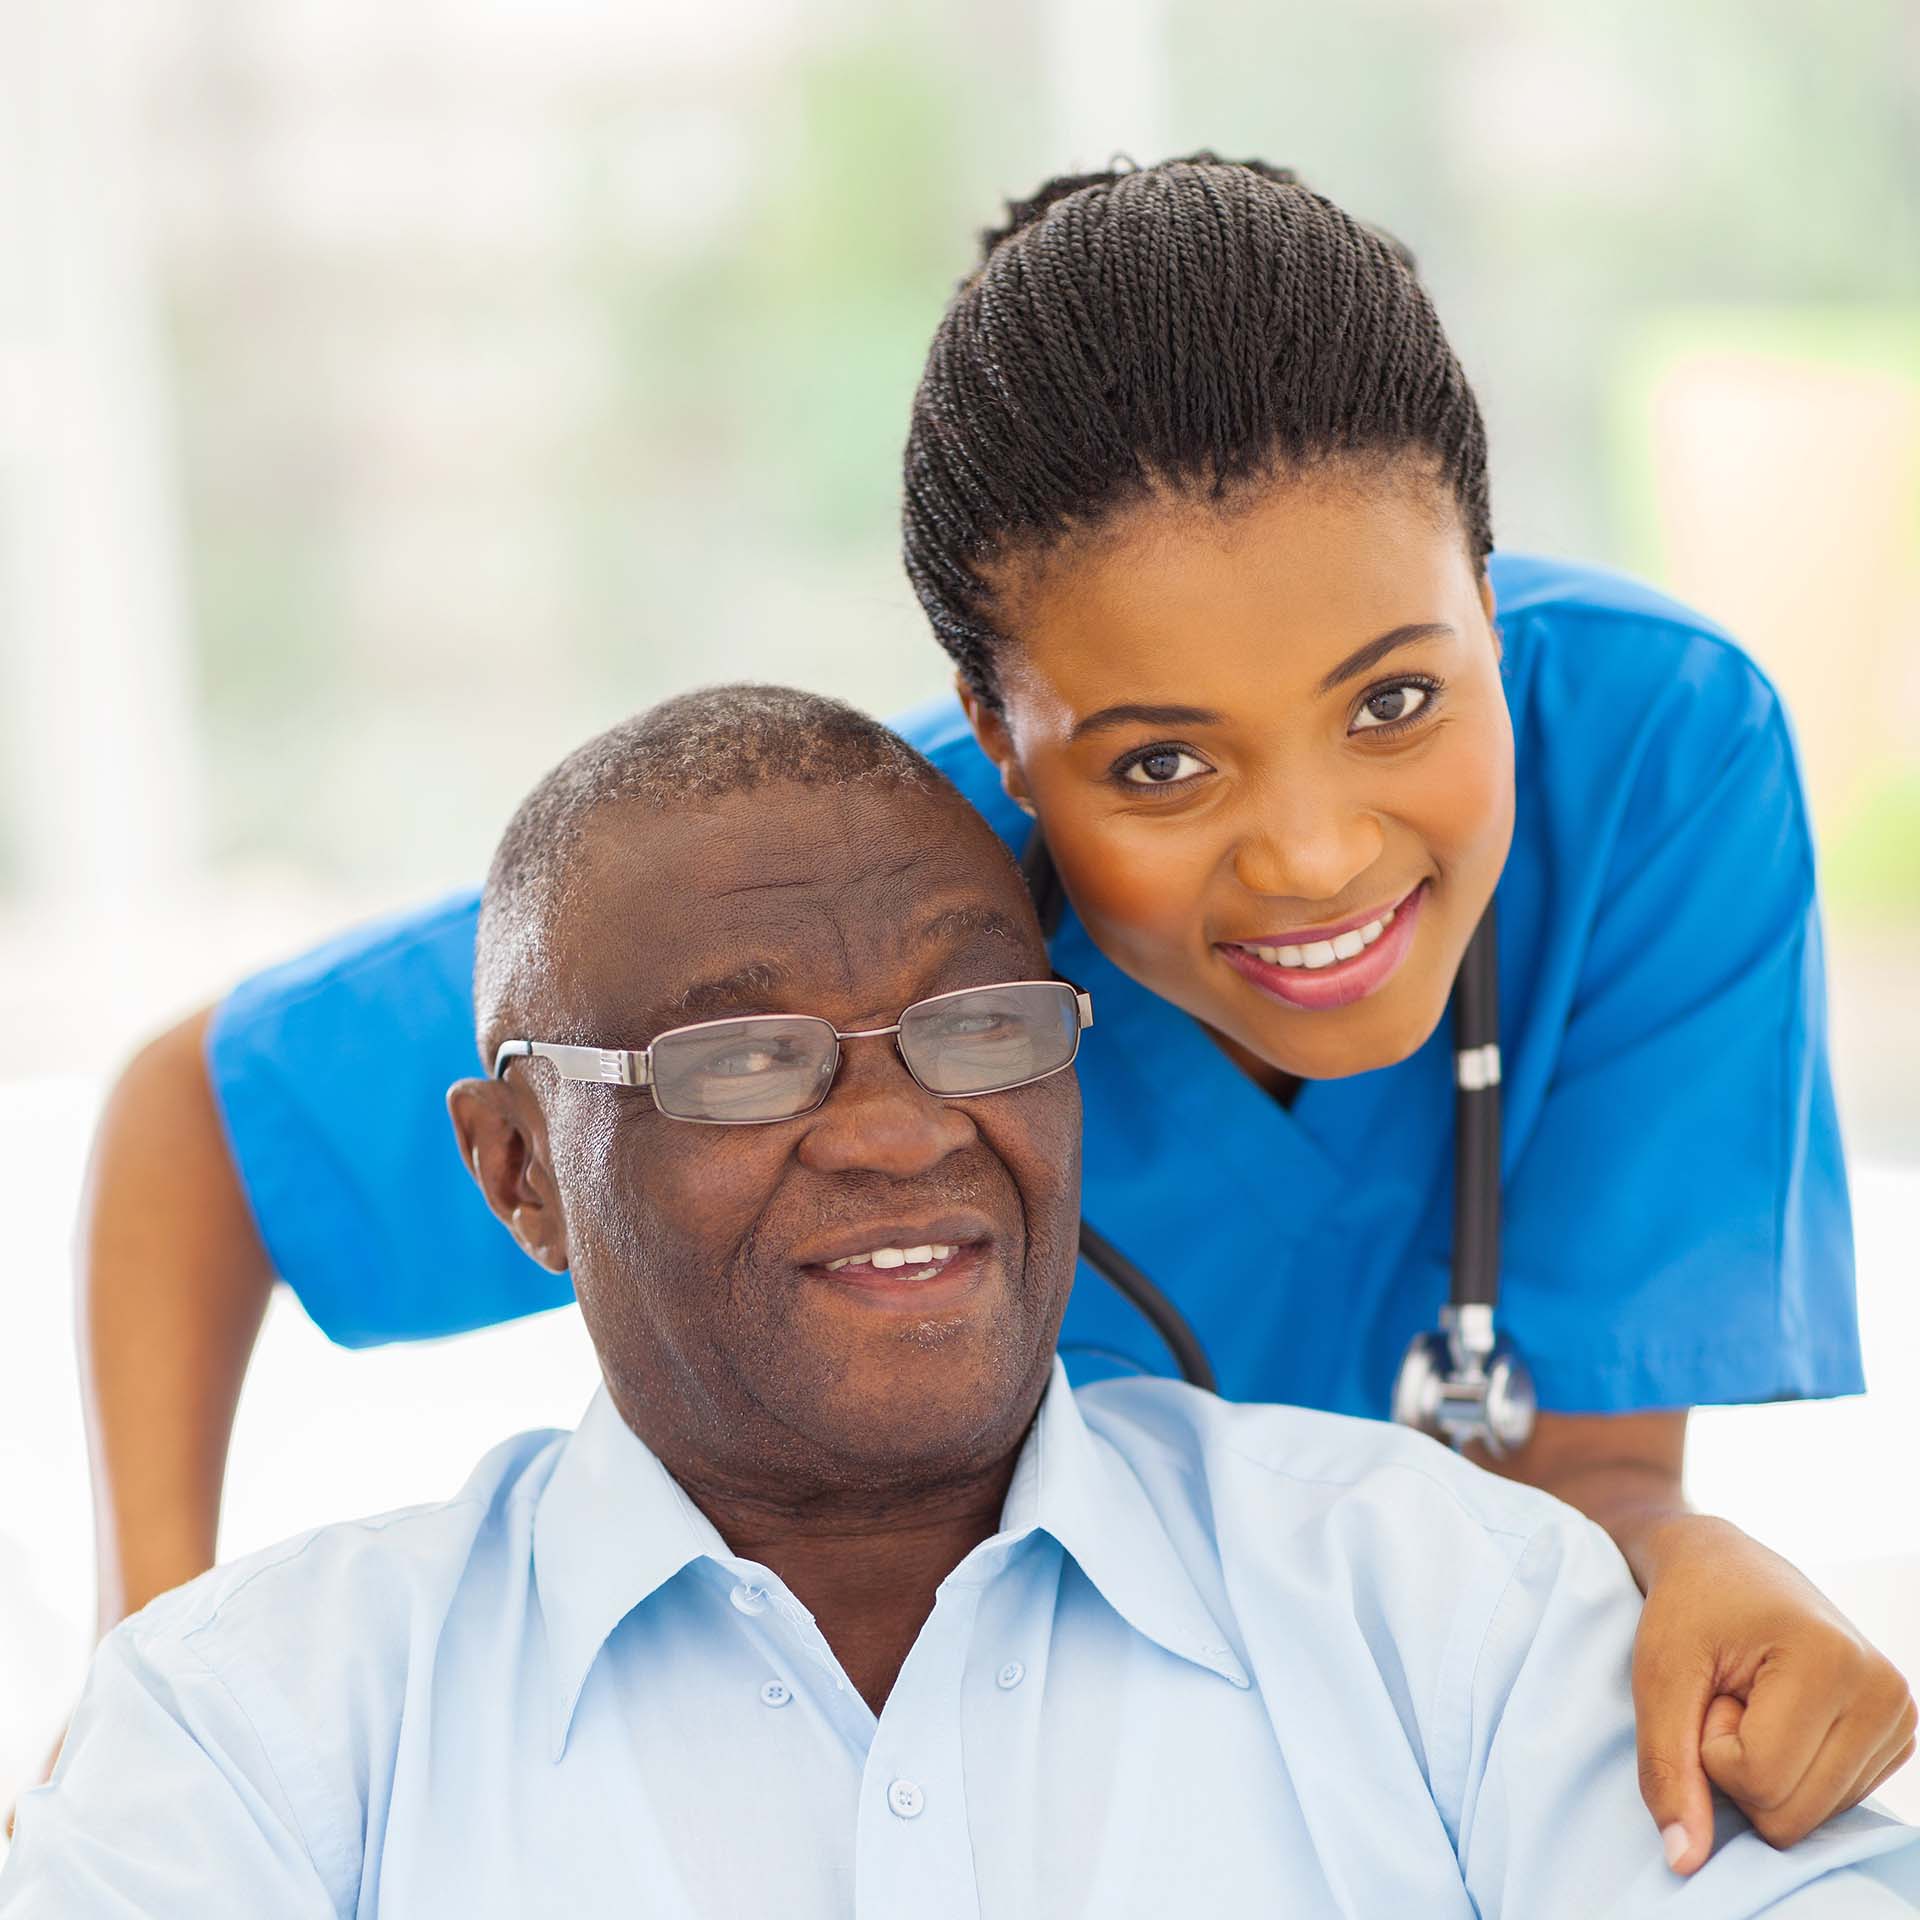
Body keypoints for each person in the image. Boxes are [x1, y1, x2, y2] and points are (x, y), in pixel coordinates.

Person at [48, 158, 1914, 1869]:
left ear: (1487, 597)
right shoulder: (863, 914)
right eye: (1163, 762)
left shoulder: (1657, 757)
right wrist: (151, 1683)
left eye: (1397, 702)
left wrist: (1701, 1569)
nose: (1318, 854)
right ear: (999, 731)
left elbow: (1584, 1470)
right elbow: (203, 1125)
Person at [7, 689, 1917, 1918]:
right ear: (518, 1172)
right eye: (744, 1062)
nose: (901, 1128)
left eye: (978, 1023)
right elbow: (206, 1122)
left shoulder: (1458, 1617)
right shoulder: (252, 1740)